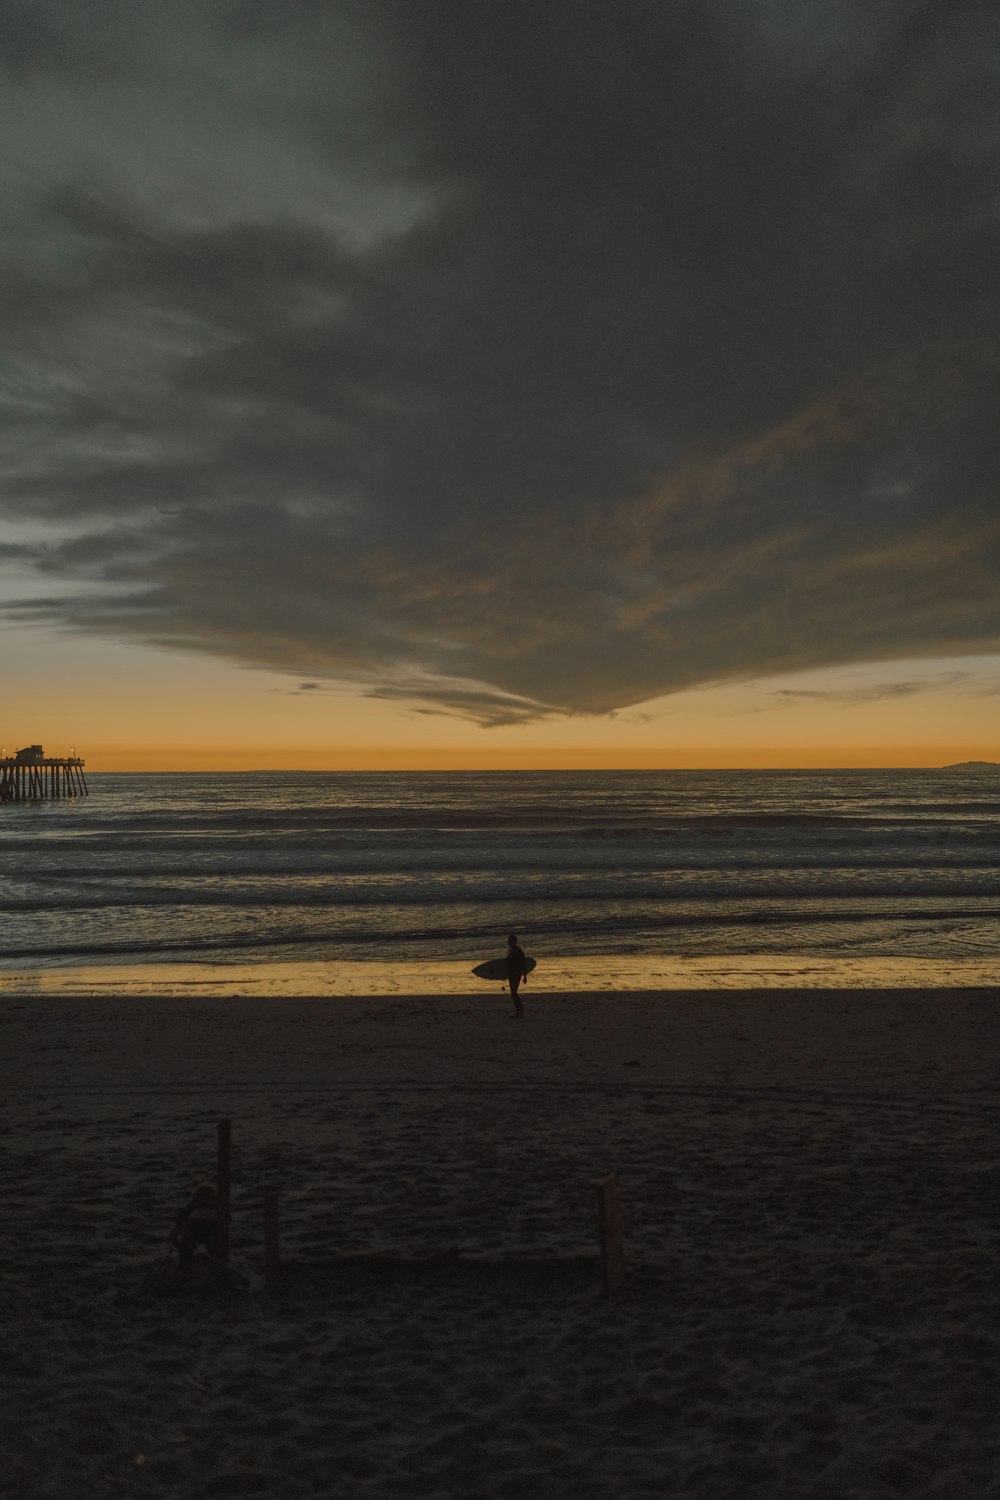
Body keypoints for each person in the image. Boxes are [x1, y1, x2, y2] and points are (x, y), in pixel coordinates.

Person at [170, 1181, 218, 1265]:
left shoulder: (192, 1205)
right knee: (216, 1254)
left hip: (194, 1223)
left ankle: (183, 1268)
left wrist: (180, 1248)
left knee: (185, 1257)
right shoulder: (218, 1205)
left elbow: (173, 1234)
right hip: (214, 1223)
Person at [507, 933, 528, 1017]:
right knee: (513, 993)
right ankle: (518, 1010)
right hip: (511, 974)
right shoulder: (510, 951)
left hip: (516, 974)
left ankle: (520, 1010)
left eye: (508, 940)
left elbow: (523, 964)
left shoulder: (518, 951)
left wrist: (525, 976)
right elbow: (507, 964)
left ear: (512, 941)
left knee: (514, 992)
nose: (507, 942)